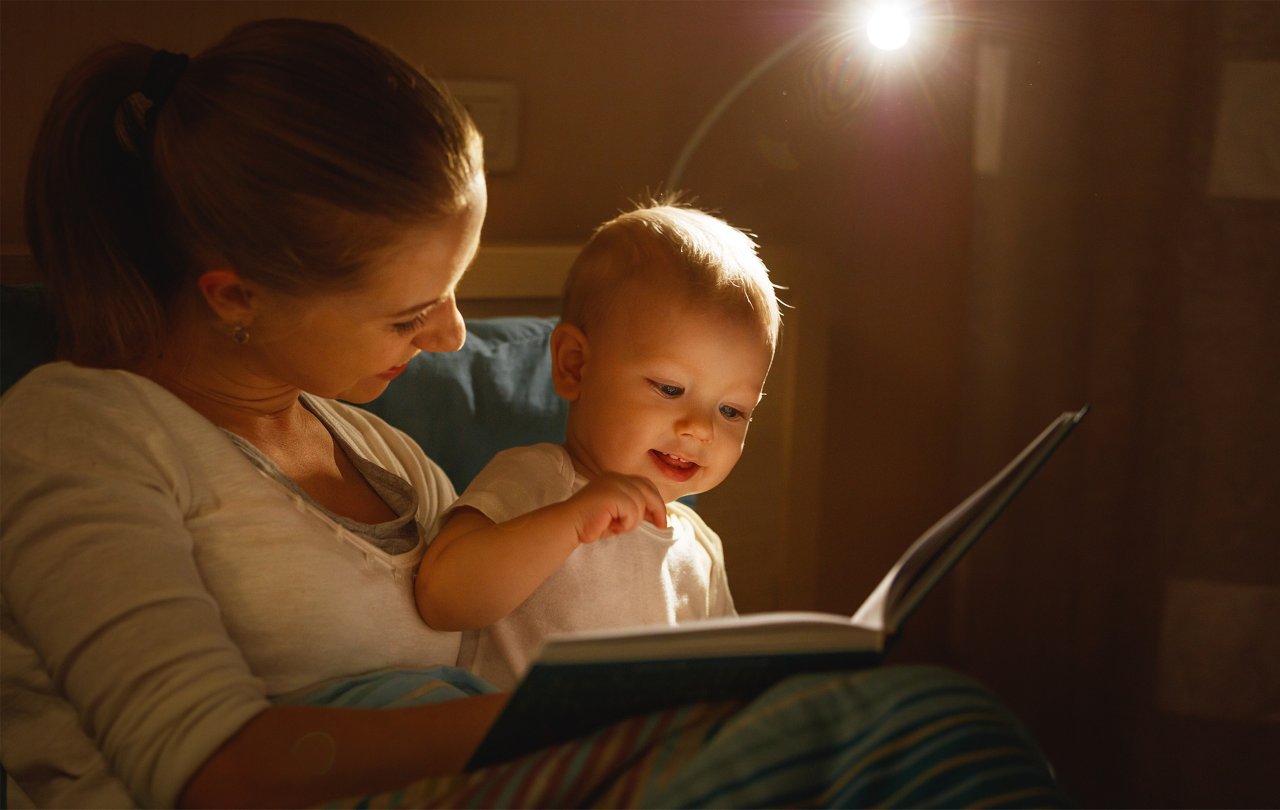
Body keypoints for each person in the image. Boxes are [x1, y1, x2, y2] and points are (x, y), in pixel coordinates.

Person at [1, 16, 1070, 810]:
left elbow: (483, 621)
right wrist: (599, 724)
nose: (455, 341)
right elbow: (210, 771)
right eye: (410, 312)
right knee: (911, 728)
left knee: (916, 724)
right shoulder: (79, 436)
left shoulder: (373, 448)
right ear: (235, 295)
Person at [415, 202, 777, 689]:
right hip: (525, 750)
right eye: (670, 389)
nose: (701, 429)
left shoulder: (701, 551)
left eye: (732, 411)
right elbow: (442, 598)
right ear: (574, 366)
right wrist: (569, 522)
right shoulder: (540, 479)